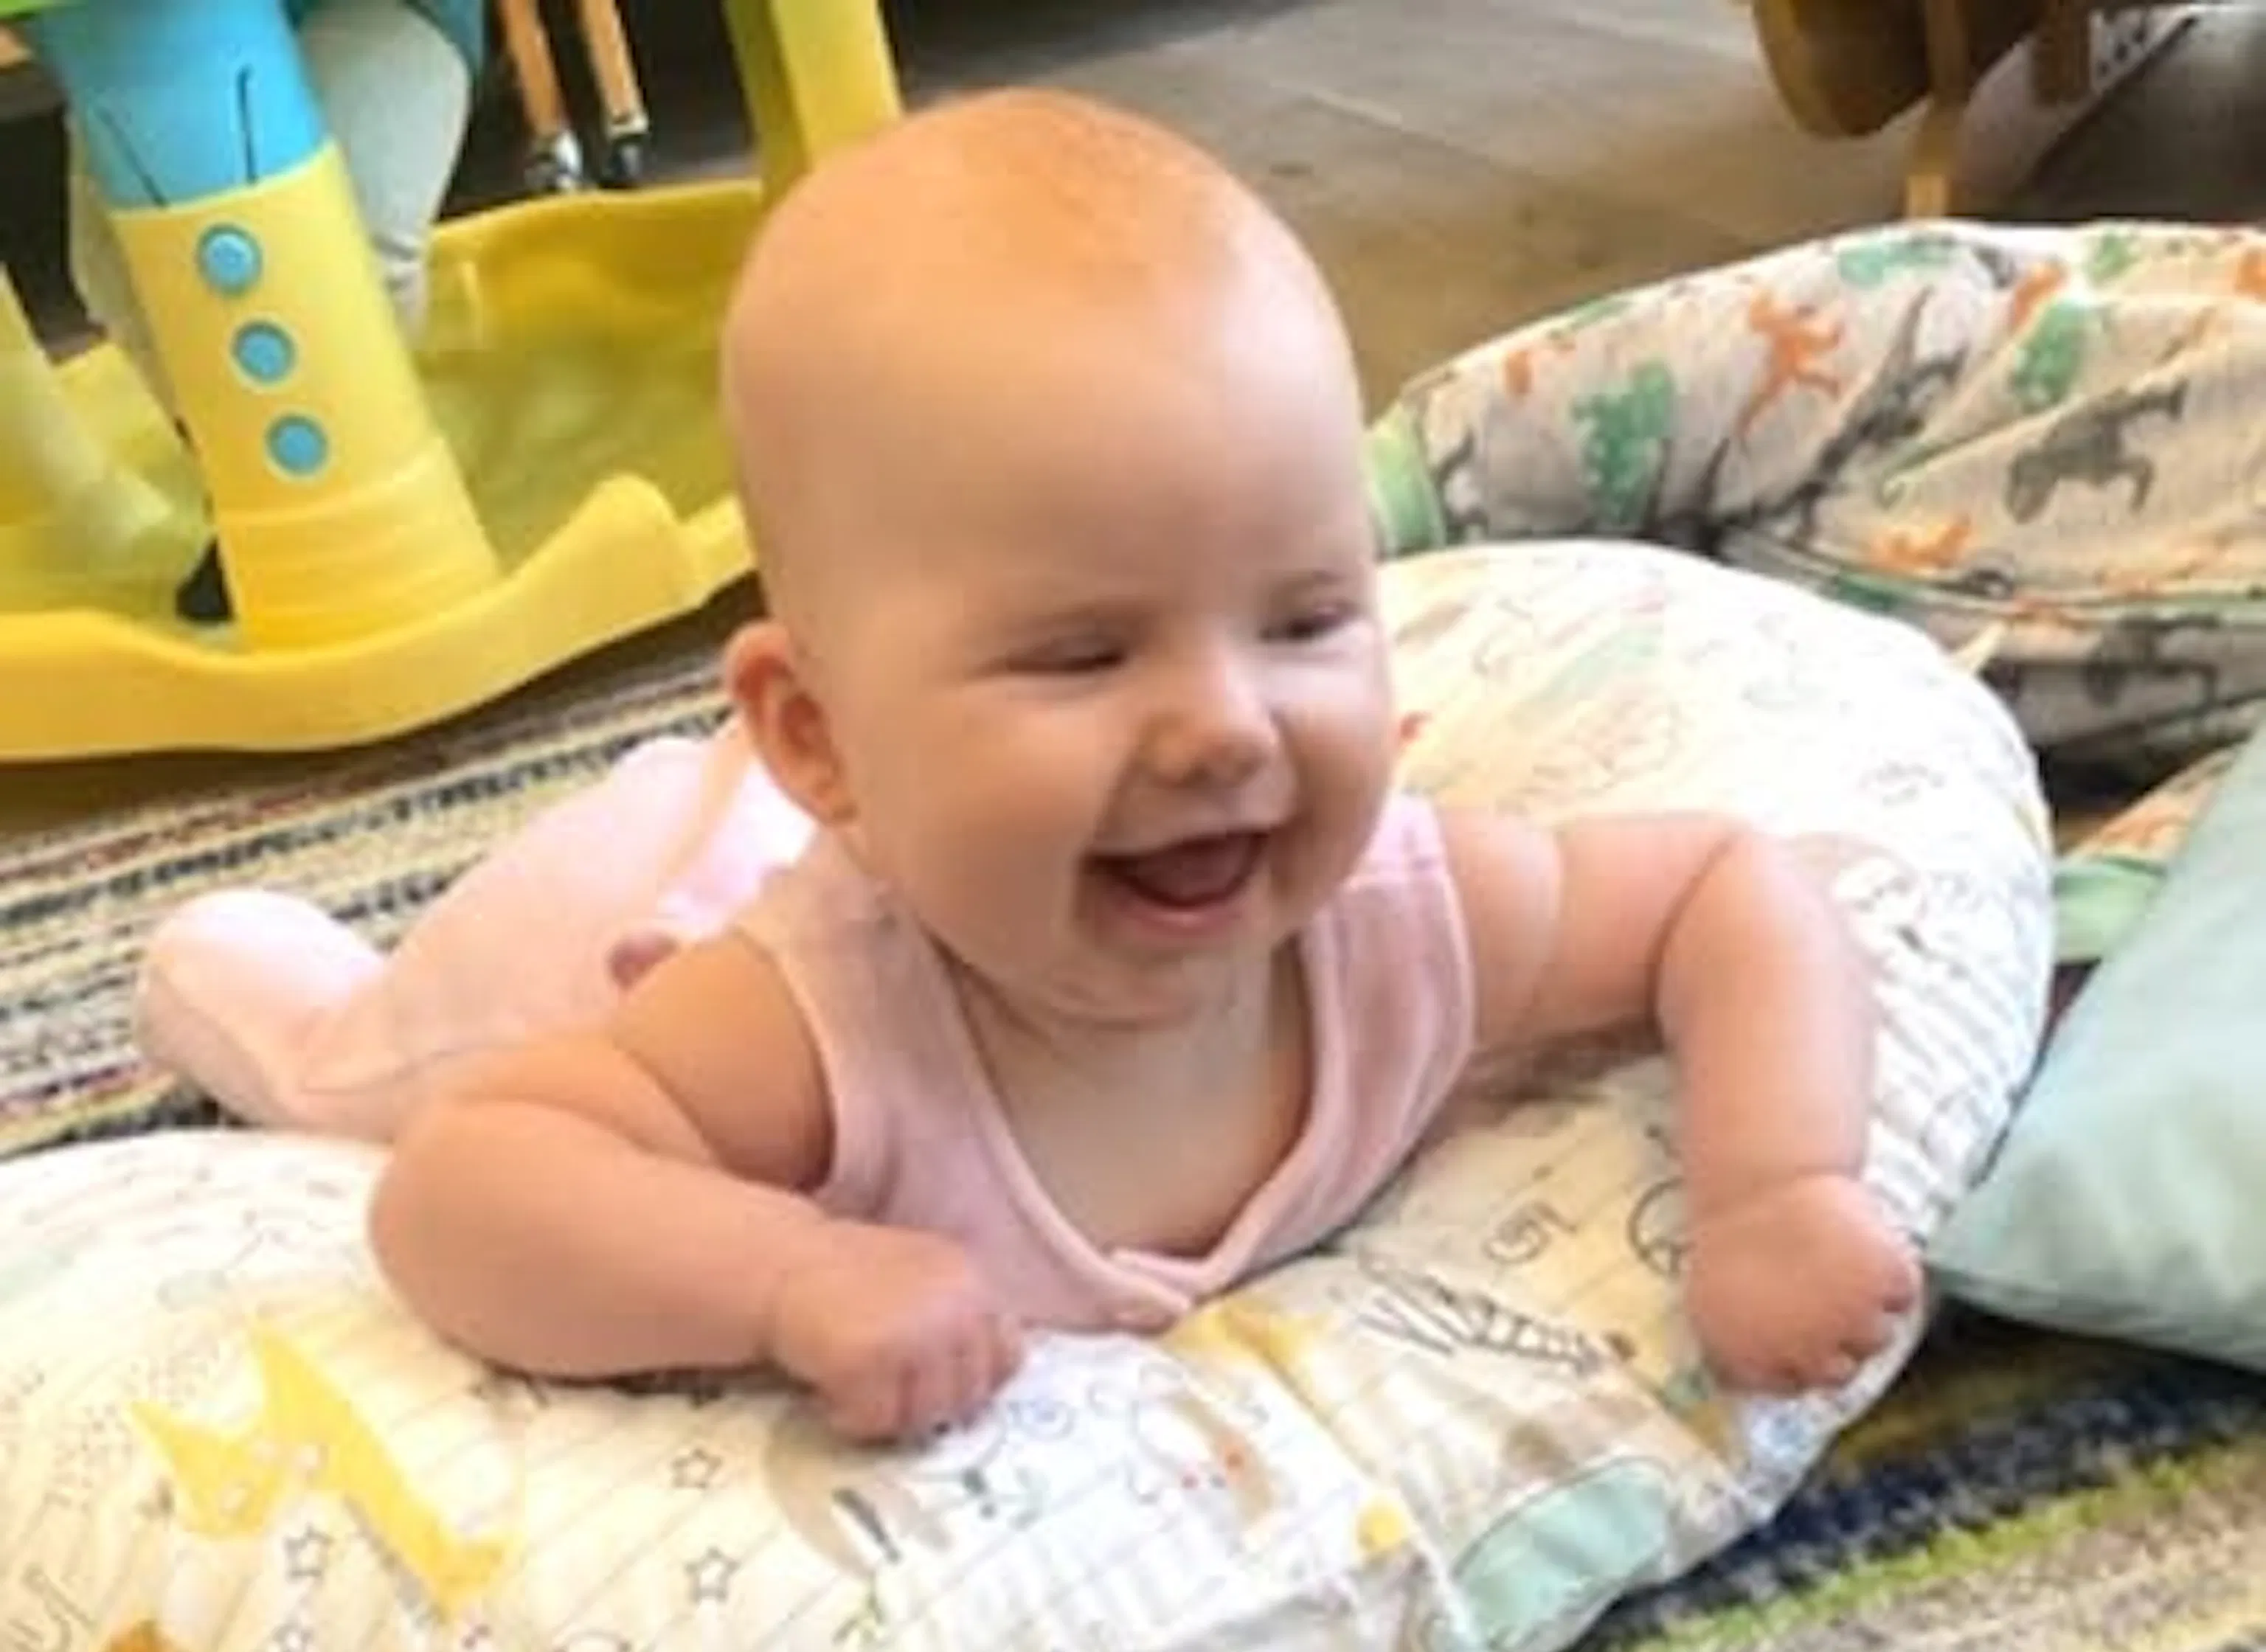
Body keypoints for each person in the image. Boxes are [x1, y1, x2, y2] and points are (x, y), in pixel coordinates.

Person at [367, 86, 1921, 1443]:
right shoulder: (812, 1027)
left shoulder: (1396, 920)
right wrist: (791, 1276)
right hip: (612, 909)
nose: (1226, 726)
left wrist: (1778, 1185)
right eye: (1083, 655)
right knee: (360, 1057)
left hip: (848, 815)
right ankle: (264, 979)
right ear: (818, 738)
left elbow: (1723, 890)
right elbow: (462, 1187)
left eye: (1302, 620)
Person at [65, 0, 482, 620]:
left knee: (343, 254)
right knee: (125, 271)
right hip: (128, 43)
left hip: (380, 11)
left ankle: (362, 483)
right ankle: (249, 485)